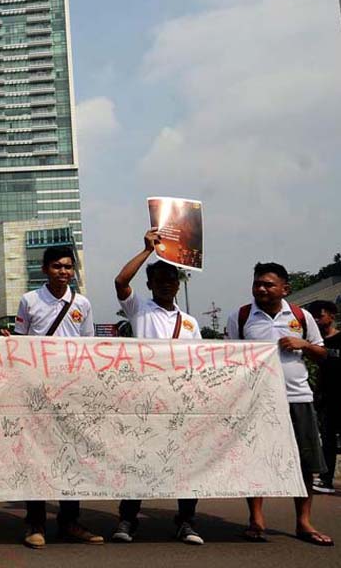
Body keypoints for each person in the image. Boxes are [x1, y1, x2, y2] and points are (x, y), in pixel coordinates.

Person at [226, 262, 332, 546]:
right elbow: (229, 358)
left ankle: (304, 522)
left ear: (285, 288)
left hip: (298, 397)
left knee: (306, 462)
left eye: (268, 284)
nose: (261, 288)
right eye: (257, 283)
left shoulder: (302, 316)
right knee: (256, 460)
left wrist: (305, 345)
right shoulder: (240, 316)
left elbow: (323, 353)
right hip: (257, 401)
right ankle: (256, 519)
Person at [110, 229, 204, 545]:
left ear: (179, 284)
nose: (165, 283)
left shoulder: (190, 323)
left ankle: (186, 521)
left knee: (185, 462)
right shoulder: (139, 310)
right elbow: (121, 282)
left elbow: (201, 361)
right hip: (144, 400)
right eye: (159, 278)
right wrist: (147, 251)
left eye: (171, 278)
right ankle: (127, 519)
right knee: (137, 459)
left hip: (180, 402)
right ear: (149, 284)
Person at [9, 245, 103, 549]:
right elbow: (21, 344)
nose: (63, 271)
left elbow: (88, 346)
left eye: (68, 266)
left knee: (71, 457)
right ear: (44, 269)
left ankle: (69, 521)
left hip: (72, 392)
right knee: (36, 456)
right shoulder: (29, 300)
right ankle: (35, 523)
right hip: (37, 391)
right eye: (56, 266)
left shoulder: (83, 303)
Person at [306, 300, 341, 495]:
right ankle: (326, 480)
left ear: (332, 316)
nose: (316, 320)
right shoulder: (315, 343)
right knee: (328, 441)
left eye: (320, 315)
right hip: (325, 399)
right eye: (313, 316)